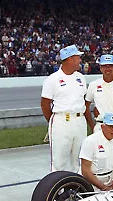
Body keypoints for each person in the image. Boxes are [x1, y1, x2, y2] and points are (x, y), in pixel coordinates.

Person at [41, 44, 94, 172]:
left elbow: (83, 102)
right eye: (77, 58)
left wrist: (90, 124)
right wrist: (54, 122)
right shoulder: (52, 79)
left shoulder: (80, 78)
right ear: (69, 59)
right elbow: (44, 104)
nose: (80, 60)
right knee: (59, 161)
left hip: (79, 121)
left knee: (79, 159)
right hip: (61, 121)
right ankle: (58, 190)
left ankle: (77, 188)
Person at [79, 113, 113, 191]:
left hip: (112, 176)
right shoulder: (90, 141)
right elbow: (85, 171)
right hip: (93, 180)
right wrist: (104, 187)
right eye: (111, 127)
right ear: (103, 127)